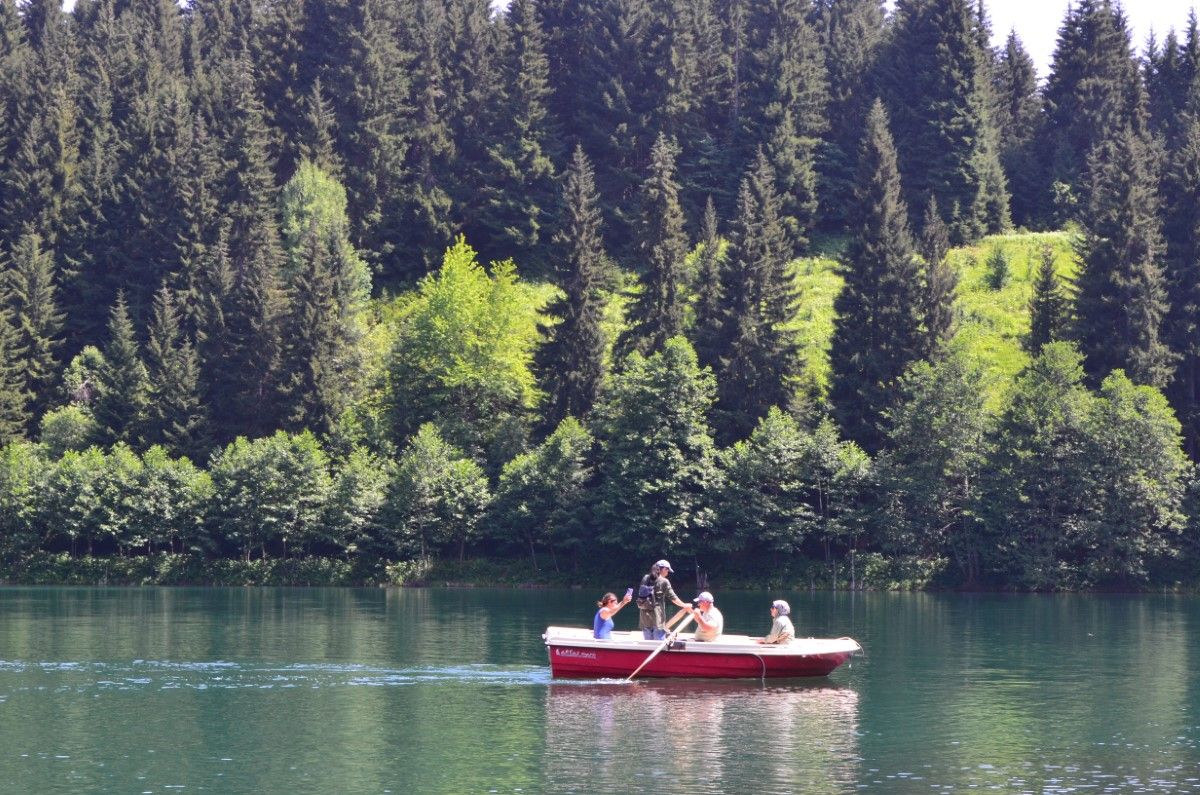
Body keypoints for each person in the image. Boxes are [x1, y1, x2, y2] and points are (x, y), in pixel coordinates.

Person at [636, 559, 690, 640]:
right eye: (667, 570)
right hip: (657, 619)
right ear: (664, 569)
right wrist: (685, 605)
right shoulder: (664, 581)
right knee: (658, 645)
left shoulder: (645, 578)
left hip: (644, 618)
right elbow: (673, 598)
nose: (668, 573)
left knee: (648, 645)